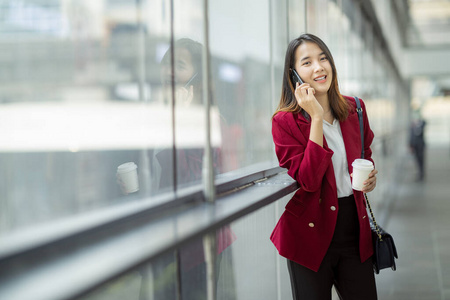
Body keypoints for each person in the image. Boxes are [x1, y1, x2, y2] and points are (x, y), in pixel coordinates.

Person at [270, 33, 378, 300]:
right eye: (307, 62)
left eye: (323, 58)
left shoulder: (356, 109)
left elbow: (365, 153)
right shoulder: (285, 122)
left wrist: (371, 176)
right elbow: (308, 179)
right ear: (293, 74)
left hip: (354, 228)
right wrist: (316, 116)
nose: (318, 67)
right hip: (309, 234)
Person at [409, 109, 426, 181]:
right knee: (416, 159)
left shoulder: (421, 124)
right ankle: (419, 172)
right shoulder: (412, 125)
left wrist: (418, 123)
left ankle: (421, 173)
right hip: (415, 145)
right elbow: (411, 136)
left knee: (421, 159)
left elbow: (423, 124)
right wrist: (410, 145)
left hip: (420, 145)